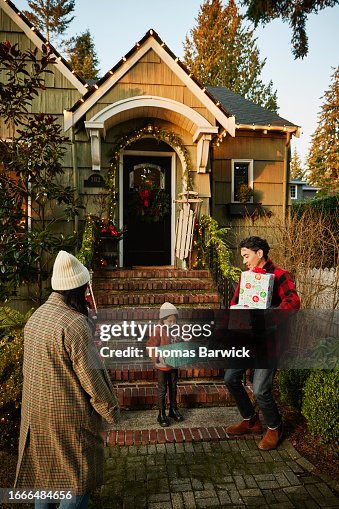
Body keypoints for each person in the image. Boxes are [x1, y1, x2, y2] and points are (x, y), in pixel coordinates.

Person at [15, 251, 120, 509]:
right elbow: (92, 378)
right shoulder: (74, 324)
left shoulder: (36, 317)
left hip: (35, 412)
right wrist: (112, 411)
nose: (87, 295)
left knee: (46, 478)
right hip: (68, 418)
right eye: (85, 290)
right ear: (76, 290)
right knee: (78, 483)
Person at [224, 236, 300, 450]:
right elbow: (235, 302)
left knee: (260, 390)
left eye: (246, 256)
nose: (244, 261)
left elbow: (293, 301)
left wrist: (270, 315)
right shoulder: (246, 277)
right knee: (230, 378)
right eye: (242, 257)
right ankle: (251, 421)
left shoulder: (280, 275)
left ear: (260, 253)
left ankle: (275, 427)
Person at [146, 302, 184, 427]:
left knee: (173, 386)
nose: (172, 323)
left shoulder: (176, 329)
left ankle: (173, 409)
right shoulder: (158, 330)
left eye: (174, 321)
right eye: (169, 321)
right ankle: (161, 414)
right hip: (162, 365)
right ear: (163, 320)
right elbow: (150, 346)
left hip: (174, 363)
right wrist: (157, 357)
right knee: (162, 389)